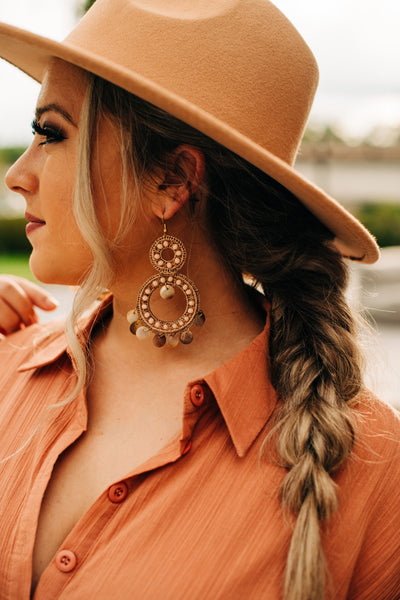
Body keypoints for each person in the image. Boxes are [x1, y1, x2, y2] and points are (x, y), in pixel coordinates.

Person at [0, 1, 399, 599]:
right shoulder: (8, 364)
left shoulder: (374, 470)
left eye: (50, 133)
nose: (17, 174)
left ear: (172, 180)